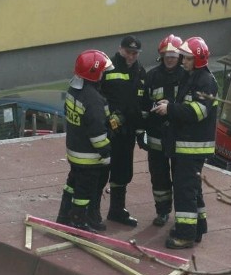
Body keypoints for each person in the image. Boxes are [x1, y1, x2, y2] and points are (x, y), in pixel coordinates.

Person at [151, 36, 218, 249]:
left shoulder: (204, 82)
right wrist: (170, 103)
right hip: (187, 145)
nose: (183, 61)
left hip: (192, 146)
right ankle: (198, 227)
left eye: (187, 58)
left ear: (197, 60)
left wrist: (170, 109)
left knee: (185, 191)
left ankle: (185, 235)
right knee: (192, 188)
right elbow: (185, 105)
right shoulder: (193, 77)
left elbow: (197, 112)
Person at [55, 50, 112, 232]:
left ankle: (64, 216)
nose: (104, 74)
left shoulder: (73, 90)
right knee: (84, 192)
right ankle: (79, 222)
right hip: (88, 157)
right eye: (102, 71)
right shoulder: (93, 99)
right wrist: (106, 152)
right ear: (95, 73)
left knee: (72, 185)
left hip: (74, 152)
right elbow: (97, 133)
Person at [140, 35, 187, 227]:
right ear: (161, 55)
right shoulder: (152, 76)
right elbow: (142, 106)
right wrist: (139, 132)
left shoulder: (186, 76)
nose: (170, 58)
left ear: (180, 57)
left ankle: (182, 214)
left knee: (181, 177)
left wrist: (172, 106)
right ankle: (162, 211)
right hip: (156, 136)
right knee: (159, 177)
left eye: (174, 55)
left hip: (179, 137)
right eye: (166, 55)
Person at [99, 35, 147, 229]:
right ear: (120, 49)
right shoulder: (108, 69)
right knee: (101, 172)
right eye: (128, 52)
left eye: (135, 53)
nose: (131, 56)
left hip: (127, 132)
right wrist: (110, 118)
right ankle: (91, 212)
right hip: (109, 131)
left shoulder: (140, 71)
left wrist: (140, 130)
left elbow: (142, 103)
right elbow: (98, 97)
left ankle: (117, 210)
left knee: (123, 172)